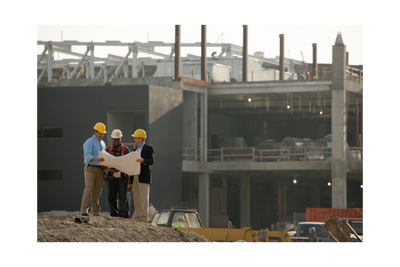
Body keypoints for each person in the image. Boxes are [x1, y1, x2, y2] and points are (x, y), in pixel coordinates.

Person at [80, 122, 107, 216]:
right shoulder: (89, 142)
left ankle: (95, 212)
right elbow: (87, 156)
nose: (101, 135)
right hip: (91, 168)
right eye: (100, 133)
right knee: (88, 189)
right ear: (95, 132)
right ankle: (84, 211)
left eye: (103, 133)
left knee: (97, 191)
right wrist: (97, 159)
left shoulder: (103, 143)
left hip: (100, 169)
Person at [104, 129, 130, 218]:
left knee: (123, 196)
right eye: (115, 139)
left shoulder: (125, 150)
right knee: (111, 197)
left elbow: (128, 163)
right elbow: (104, 164)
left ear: (120, 139)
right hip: (111, 177)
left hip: (121, 177)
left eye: (118, 139)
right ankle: (114, 213)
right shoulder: (107, 150)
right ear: (112, 138)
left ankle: (123, 213)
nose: (116, 141)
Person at [130, 129, 154, 222]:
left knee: (144, 197)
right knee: (136, 197)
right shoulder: (134, 150)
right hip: (135, 176)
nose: (134, 140)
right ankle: (139, 216)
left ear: (140, 138)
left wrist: (143, 160)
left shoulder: (149, 148)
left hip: (143, 176)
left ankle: (144, 216)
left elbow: (151, 161)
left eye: (135, 138)